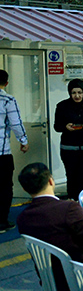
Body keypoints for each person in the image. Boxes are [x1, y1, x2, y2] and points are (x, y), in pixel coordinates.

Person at [17, 162, 83, 291]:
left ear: (24, 188)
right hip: (80, 279)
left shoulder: (23, 218)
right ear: (51, 180)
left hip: (51, 281)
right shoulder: (68, 208)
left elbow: (58, 235)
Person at [0, 69, 28, 233]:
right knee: (4, 187)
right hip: (2, 153)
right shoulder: (8, 100)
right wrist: (23, 141)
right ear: (7, 83)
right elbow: (16, 124)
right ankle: (2, 221)